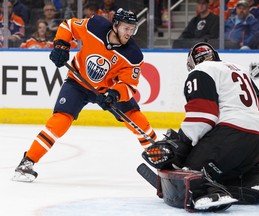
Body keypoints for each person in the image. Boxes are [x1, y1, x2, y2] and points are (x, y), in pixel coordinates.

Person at [12, 8, 157, 182]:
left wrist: (114, 94)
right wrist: (61, 45)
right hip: (77, 83)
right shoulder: (95, 25)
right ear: (115, 25)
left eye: (132, 29)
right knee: (60, 120)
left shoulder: (133, 55)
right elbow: (69, 26)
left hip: (106, 91)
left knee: (136, 118)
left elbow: (129, 86)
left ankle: (161, 158)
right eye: (126, 28)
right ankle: (27, 162)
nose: (129, 33)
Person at [142, 42, 259, 212]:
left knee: (191, 172)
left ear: (192, 63)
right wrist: (255, 136)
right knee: (229, 170)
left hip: (229, 135)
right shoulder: (238, 69)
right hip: (257, 141)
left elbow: (203, 116)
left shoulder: (201, 70)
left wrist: (183, 143)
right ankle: (255, 184)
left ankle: (207, 192)